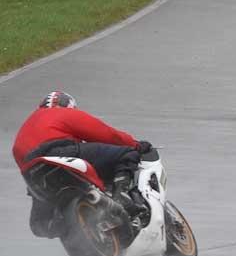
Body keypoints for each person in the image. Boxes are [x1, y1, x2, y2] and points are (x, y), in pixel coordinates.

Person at [12, 91, 151, 238]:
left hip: (35, 174)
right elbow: (106, 134)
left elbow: (22, 161)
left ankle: (68, 228)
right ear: (69, 105)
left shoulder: (27, 124)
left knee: (40, 225)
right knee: (126, 154)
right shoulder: (62, 112)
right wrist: (135, 144)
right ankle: (121, 196)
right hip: (61, 153)